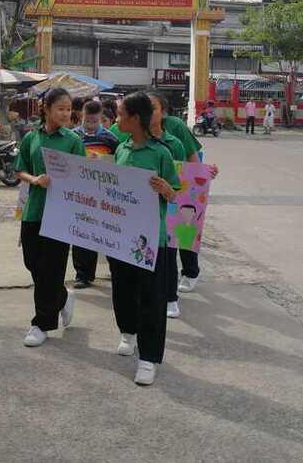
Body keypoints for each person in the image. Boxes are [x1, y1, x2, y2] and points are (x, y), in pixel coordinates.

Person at [110, 91, 180, 386]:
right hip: (120, 235)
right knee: (123, 289)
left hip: (152, 239)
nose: (116, 119)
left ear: (135, 118)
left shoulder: (161, 153)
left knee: (152, 298)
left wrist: (165, 189)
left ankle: (149, 358)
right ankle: (128, 333)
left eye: (120, 114)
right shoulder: (121, 149)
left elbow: (175, 195)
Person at [14, 88, 86, 346]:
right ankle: (63, 297)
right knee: (32, 263)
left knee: (52, 268)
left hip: (60, 214)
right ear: (46, 109)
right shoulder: (31, 138)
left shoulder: (73, 141)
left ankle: (41, 323)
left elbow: (83, 176)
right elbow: (20, 170)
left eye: (69, 109)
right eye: (61, 109)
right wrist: (35, 180)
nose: (66, 114)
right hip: (34, 210)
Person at [145, 93, 187, 319]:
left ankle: (171, 298)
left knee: (169, 255)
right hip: (140, 211)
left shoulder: (174, 144)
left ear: (163, 112)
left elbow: (183, 178)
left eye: (154, 108)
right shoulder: (127, 141)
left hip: (167, 210)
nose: (149, 112)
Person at [71, 101, 119, 288]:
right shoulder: (73, 136)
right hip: (80, 193)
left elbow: (118, 163)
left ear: (101, 118)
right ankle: (83, 275)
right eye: (87, 120)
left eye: (95, 121)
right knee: (82, 234)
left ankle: (116, 271)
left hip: (104, 194)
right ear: (81, 116)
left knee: (108, 233)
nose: (90, 124)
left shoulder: (110, 138)